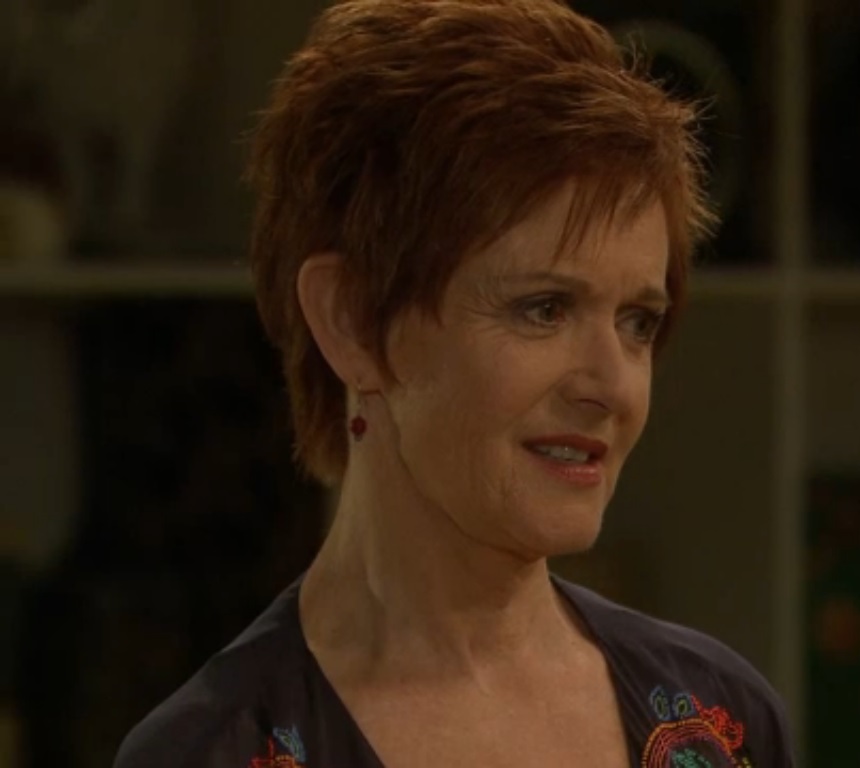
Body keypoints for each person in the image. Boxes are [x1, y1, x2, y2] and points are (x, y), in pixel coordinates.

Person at [112, 0, 795, 765]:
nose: (612, 386)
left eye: (637, 322)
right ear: (352, 322)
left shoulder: (725, 721)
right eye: (544, 309)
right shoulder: (211, 752)